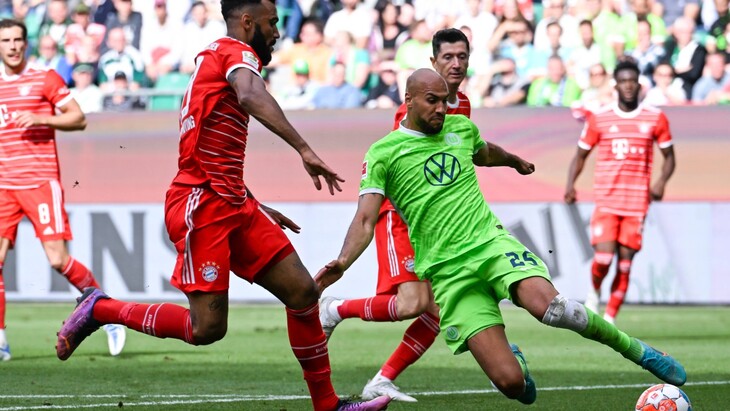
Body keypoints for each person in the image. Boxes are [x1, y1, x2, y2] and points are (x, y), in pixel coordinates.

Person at [53, 2, 390, 410]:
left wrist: (254, 202)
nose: (277, 32)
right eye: (272, 23)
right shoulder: (234, 51)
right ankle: (102, 308)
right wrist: (304, 149)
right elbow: (249, 95)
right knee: (207, 328)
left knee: (302, 292)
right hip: (203, 206)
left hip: (233, 200)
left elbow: (210, 149)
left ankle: (328, 405)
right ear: (247, 22)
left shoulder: (215, 59)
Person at [316, 67, 686, 406]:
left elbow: (486, 152)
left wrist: (514, 161)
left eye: (444, 101)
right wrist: (343, 262)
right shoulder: (383, 153)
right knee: (512, 385)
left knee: (553, 308)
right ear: (408, 100)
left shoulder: (460, 128)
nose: (441, 109)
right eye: (432, 101)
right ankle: (517, 364)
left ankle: (638, 351)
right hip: (447, 273)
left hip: (491, 245)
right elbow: (365, 219)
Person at [319, 28, 523, 403]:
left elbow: (469, 154)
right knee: (412, 303)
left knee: (443, 305)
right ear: (433, 61)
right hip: (402, 218)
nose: (456, 63)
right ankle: (335, 310)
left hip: (440, 228)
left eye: (462, 56)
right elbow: (400, 163)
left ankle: (384, 378)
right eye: (448, 57)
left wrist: (511, 161)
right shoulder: (413, 110)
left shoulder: (461, 105)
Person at [0, 19, 125, 362]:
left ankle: (108, 313)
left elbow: (78, 118)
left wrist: (42, 119)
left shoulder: (44, 78)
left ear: (26, 43)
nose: (12, 46)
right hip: (4, 186)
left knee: (57, 259)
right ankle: (1, 341)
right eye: (5, 41)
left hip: (40, 182)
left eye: (17, 40)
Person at [565, 59, 677, 325]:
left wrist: (661, 181)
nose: (628, 86)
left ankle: (610, 318)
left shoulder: (655, 117)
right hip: (607, 200)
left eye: (632, 81)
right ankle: (594, 292)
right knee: (603, 259)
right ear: (615, 85)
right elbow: (580, 155)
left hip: (637, 204)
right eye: (623, 81)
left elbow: (670, 157)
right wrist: (570, 185)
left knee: (625, 265)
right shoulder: (600, 118)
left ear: (639, 85)